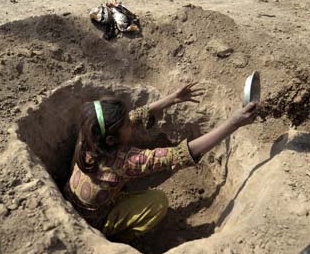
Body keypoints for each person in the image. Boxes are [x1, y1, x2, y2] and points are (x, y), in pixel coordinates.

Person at [64, 83, 258, 242]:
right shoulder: (125, 162)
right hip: (94, 223)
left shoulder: (89, 137)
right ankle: (119, 240)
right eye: (125, 126)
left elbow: (132, 118)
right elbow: (179, 154)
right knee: (157, 202)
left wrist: (172, 98)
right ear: (111, 140)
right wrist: (234, 123)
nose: (129, 125)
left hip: (71, 204)